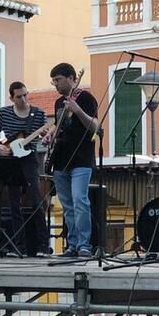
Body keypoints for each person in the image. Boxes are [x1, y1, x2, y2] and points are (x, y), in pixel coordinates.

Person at [43, 63, 98, 258]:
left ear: (71, 78)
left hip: (82, 158)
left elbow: (95, 127)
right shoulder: (58, 103)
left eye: (58, 80)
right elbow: (59, 126)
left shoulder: (86, 98)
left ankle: (85, 245)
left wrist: (77, 110)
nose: (55, 84)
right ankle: (72, 244)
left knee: (80, 200)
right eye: (54, 81)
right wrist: (50, 135)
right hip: (61, 158)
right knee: (67, 205)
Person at [0, 81, 51, 256]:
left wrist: (47, 136)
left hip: (29, 158)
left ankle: (43, 245)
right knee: (13, 203)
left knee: (36, 200)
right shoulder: (4, 113)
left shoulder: (38, 113)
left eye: (26, 94)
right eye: (19, 96)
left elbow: (45, 134)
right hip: (10, 159)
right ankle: (17, 245)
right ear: (11, 98)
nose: (24, 99)